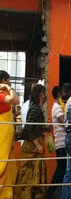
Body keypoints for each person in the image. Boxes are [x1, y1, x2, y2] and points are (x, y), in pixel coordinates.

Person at [15, 84, 51, 199]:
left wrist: (45, 128)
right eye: (44, 93)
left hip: (35, 146)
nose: (45, 96)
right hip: (32, 147)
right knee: (29, 175)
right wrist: (37, 144)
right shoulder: (35, 109)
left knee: (32, 174)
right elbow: (28, 128)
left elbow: (35, 127)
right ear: (41, 94)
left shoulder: (35, 107)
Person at [0, 70, 19, 199]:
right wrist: (9, 88)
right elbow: (15, 99)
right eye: (9, 80)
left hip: (7, 138)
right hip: (2, 136)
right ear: (4, 80)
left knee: (10, 167)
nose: (10, 83)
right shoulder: (1, 94)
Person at [47, 86, 67, 198]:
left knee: (62, 169)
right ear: (59, 94)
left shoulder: (56, 107)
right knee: (61, 169)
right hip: (62, 143)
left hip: (60, 142)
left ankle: (55, 192)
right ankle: (50, 192)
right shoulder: (57, 107)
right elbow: (63, 121)